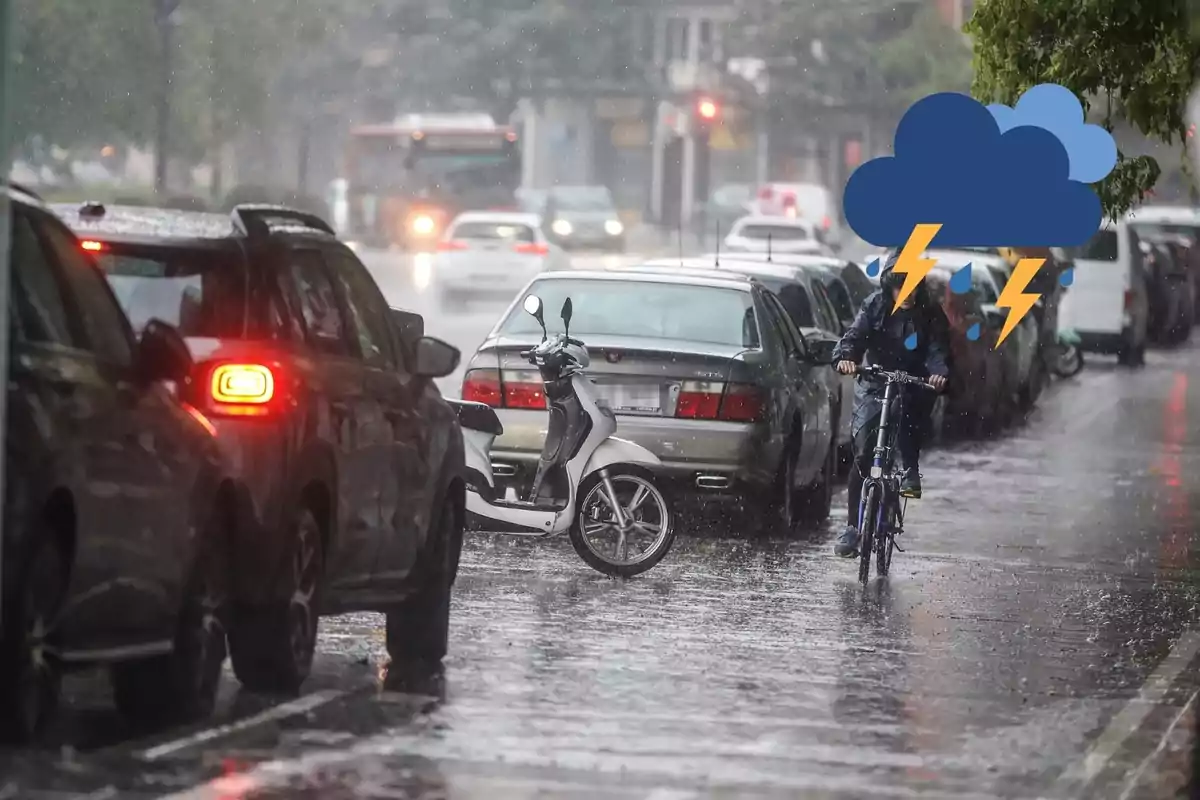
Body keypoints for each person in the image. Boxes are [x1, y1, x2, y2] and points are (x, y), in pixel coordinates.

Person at [831, 251, 951, 558]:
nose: (907, 292)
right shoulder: (875, 305)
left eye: (912, 284)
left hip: (913, 383)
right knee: (862, 452)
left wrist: (938, 373)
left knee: (909, 422)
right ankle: (854, 528)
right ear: (889, 286)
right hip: (874, 381)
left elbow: (938, 348)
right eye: (901, 285)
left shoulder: (930, 313)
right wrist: (847, 358)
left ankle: (910, 469)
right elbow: (855, 336)